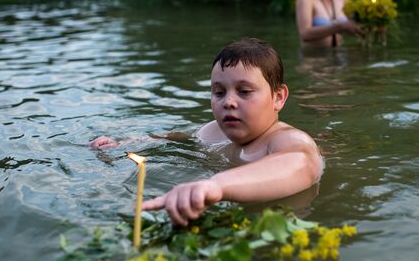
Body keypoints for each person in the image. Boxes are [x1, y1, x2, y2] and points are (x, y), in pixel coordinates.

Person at [90, 38, 323, 225]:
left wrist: (216, 185)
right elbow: (179, 137)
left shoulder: (286, 139)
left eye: (244, 91)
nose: (228, 102)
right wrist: (124, 142)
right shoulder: (213, 132)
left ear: (278, 97)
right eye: (219, 92)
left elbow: (301, 164)